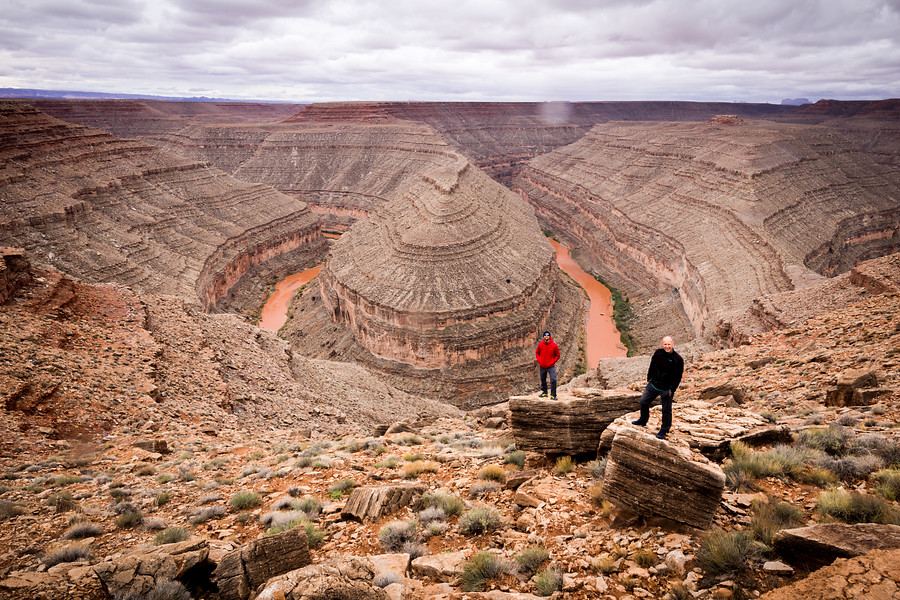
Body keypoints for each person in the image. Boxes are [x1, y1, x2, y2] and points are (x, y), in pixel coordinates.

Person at [632, 336, 684, 439]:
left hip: (666, 389)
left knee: (666, 410)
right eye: (665, 344)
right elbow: (652, 365)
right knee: (643, 401)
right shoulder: (658, 353)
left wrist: (671, 390)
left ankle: (664, 430)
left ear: (673, 344)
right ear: (662, 344)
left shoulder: (678, 359)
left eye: (669, 344)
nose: (667, 346)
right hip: (654, 384)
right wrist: (649, 379)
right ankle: (643, 420)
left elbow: (678, 376)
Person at [536, 330, 560, 399]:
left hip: (551, 366)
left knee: (553, 380)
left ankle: (553, 395)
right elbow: (537, 353)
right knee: (543, 379)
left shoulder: (554, 345)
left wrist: (553, 362)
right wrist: (539, 360)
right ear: (543, 336)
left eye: (547, 335)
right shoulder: (540, 344)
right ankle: (545, 392)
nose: (546, 336)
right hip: (542, 366)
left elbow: (558, 355)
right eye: (545, 335)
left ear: (549, 336)